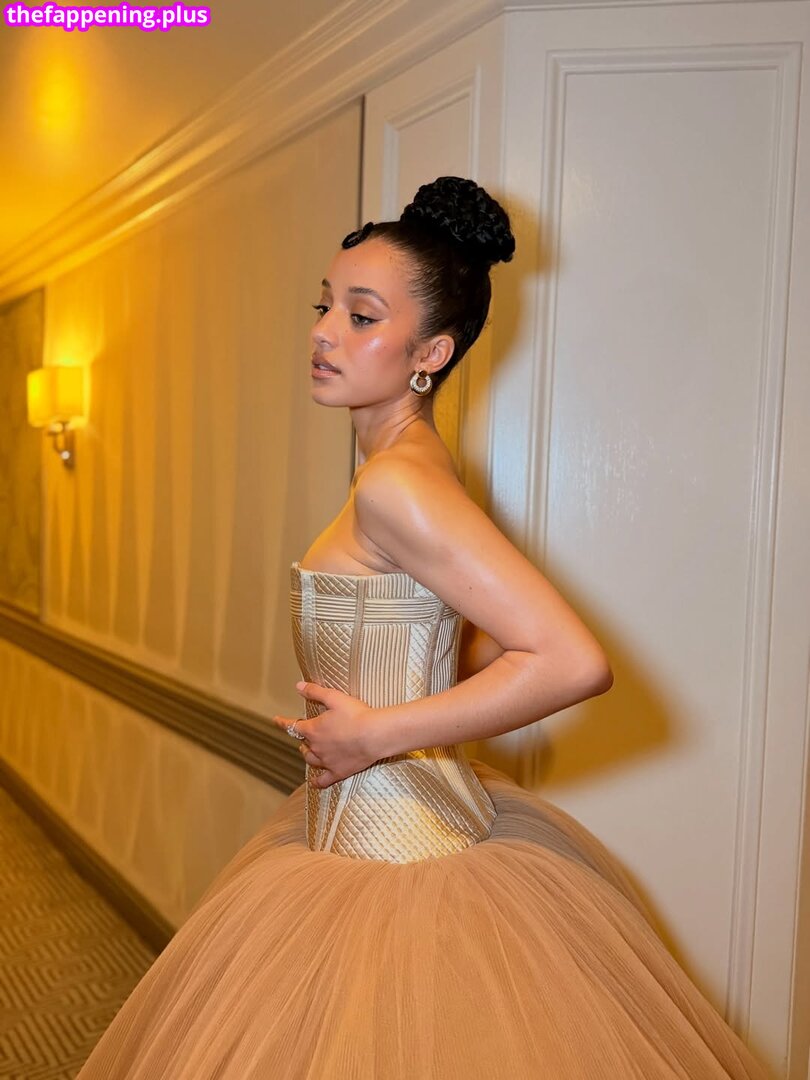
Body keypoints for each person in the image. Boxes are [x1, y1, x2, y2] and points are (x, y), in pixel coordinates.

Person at [76, 176, 771, 1079]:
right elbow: (467, 640)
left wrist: (375, 734)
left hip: (397, 861)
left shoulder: (399, 484)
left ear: (431, 352)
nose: (324, 332)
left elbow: (570, 660)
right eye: (326, 305)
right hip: (372, 834)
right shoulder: (412, 466)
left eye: (362, 316)